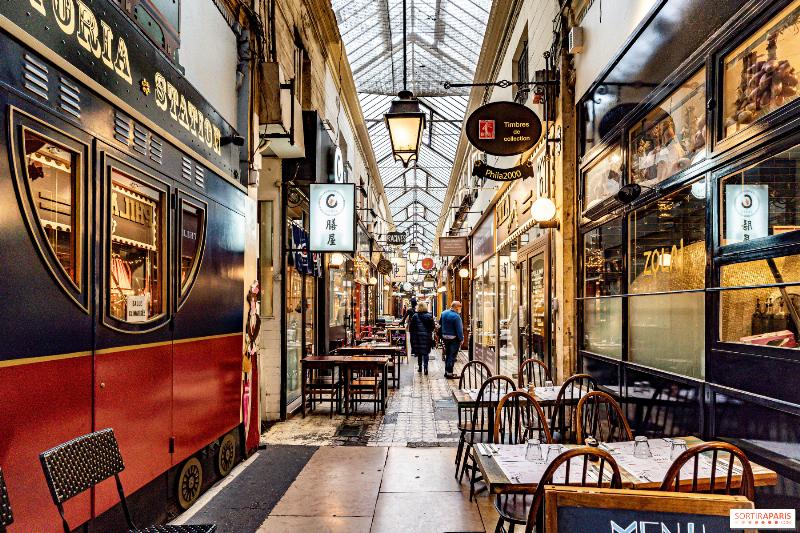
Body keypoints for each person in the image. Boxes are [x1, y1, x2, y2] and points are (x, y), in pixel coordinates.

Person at [408, 302, 435, 375]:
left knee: (419, 352)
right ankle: (426, 368)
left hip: (417, 337)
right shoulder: (429, 316)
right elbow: (433, 327)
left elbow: (411, 328)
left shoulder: (415, 316)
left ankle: (420, 367)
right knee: (426, 353)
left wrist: (413, 336)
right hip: (426, 337)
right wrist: (428, 332)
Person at [439, 301, 464, 378]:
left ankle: (446, 372)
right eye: (460, 307)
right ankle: (450, 373)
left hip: (445, 337)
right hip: (454, 338)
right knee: (452, 356)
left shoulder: (443, 313)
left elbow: (440, 324)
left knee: (448, 354)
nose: (460, 309)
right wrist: (461, 339)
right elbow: (459, 330)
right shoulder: (456, 316)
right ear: (456, 307)